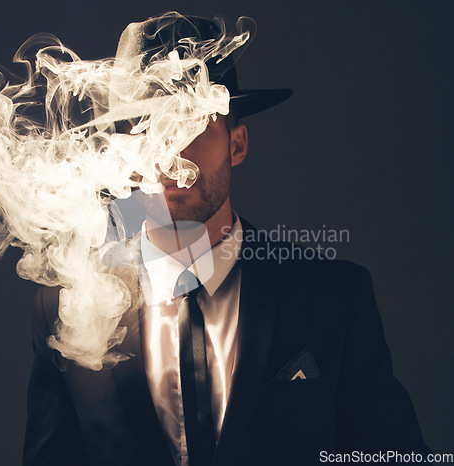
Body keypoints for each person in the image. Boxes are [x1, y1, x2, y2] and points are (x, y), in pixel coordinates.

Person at [23, 14, 430, 466]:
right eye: (147, 128)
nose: (170, 154)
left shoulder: (331, 297)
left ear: (237, 145)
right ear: (123, 153)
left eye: (192, 124)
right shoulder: (66, 310)